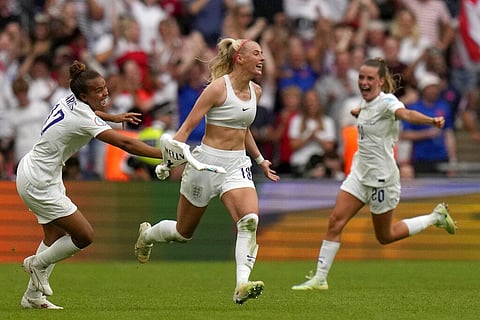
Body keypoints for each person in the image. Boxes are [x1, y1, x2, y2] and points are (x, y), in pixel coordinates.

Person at [134, 38, 280, 304]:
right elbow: (187, 127)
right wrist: (168, 161)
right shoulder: (216, 89)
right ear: (239, 58)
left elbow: (242, 128)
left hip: (237, 164)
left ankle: (241, 285)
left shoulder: (256, 91)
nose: (262, 58)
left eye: (262, 54)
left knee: (249, 220)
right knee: (182, 232)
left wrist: (259, 160)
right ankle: (147, 235)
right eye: (256, 53)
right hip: (206, 164)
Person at [291, 57, 457, 291]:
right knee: (335, 222)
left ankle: (435, 217)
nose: (364, 82)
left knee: (385, 236)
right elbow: (369, 112)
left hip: (382, 179)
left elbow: (406, 114)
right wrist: (358, 110)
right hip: (359, 174)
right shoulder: (367, 102)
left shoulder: (388, 101)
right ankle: (320, 278)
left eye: (370, 78)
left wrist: (430, 120)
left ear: (380, 81)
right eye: (361, 77)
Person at [18, 60, 165, 309]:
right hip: (39, 180)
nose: (105, 92)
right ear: (84, 95)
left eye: (104, 86)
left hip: (38, 171)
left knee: (54, 236)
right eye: (98, 90)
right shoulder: (83, 117)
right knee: (84, 235)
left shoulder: (71, 99)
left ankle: (32, 297)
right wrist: (164, 154)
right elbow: (126, 144)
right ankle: (36, 264)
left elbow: (90, 113)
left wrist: (113, 116)